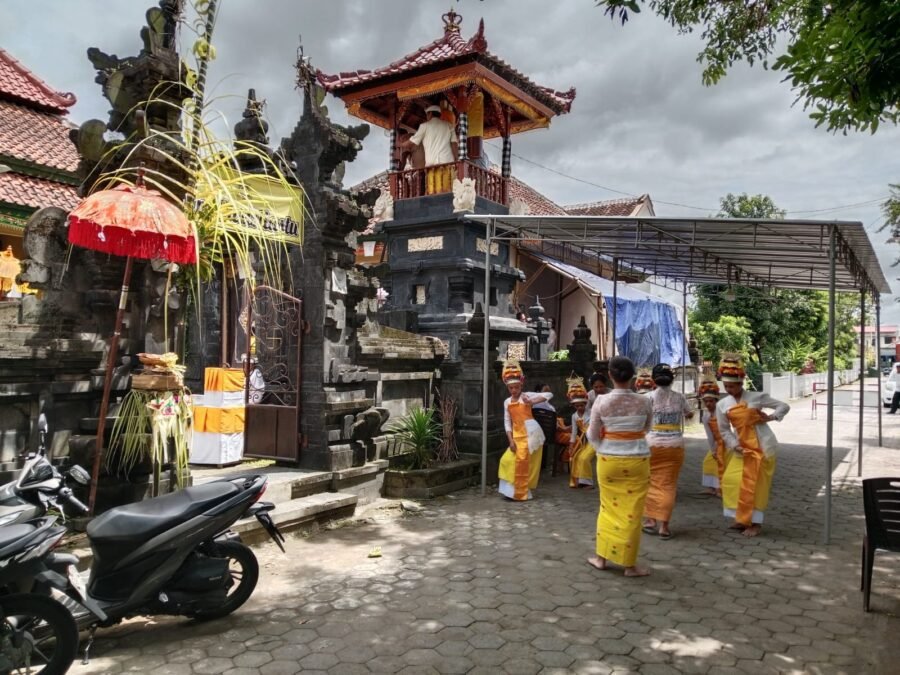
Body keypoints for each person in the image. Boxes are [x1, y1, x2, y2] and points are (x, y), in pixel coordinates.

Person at [586, 356, 653, 577]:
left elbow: (592, 434)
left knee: (607, 508)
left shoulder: (601, 401)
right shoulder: (644, 401)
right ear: (633, 375)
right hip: (637, 460)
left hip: (609, 461)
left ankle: (601, 558)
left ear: (610, 375)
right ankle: (629, 566)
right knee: (633, 512)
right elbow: (647, 428)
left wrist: (603, 448)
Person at [716, 353, 790, 537]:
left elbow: (783, 406)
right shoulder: (722, 404)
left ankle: (755, 523)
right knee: (731, 480)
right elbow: (724, 430)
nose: (729, 389)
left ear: (741, 382)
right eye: (726, 386)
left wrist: (771, 417)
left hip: (762, 446)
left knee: (757, 486)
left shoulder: (756, 397)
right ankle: (741, 518)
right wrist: (735, 445)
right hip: (741, 448)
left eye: (732, 386)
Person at [642, 364, 694, 539]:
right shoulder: (680, 397)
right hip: (675, 447)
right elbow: (689, 414)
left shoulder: (647, 398)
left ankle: (650, 521)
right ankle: (664, 527)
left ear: (653, 380)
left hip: (651, 446)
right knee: (668, 485)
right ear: (672, 379)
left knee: (650, 482)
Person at [497, 360, 551, 501]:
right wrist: (510, 440)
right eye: (511, 388)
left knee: (523, 461)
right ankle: (511, 492)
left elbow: (548, 395)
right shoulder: (507, 402)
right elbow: (507, 422)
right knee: (506, 460)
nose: (514, 390)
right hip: (517, 434)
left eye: (516, 387)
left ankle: (520, 493)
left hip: (530, 433)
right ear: (508, 388)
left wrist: (532, 401)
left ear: (521, 385)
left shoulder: (526, 396)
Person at [403, 104, 458, 195]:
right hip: (447, 164)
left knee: (433, 192)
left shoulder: (424, 126)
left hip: (432, 166)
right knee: (447, 191)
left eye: (427, 115)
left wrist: (400, 144)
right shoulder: (449, 126)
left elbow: (412, 142)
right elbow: (454, 144)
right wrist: (457, 160)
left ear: (430, 114)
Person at [699, 377, 728, 496]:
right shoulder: (706, 416)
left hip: (726, 442)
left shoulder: (722, 413)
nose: (708, 404)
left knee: (721, 463)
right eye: (706, 401)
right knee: (708, 462)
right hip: (716, 443)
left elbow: (726, 431)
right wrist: (713, 449)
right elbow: (709, 435)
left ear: (716, 401)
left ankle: (720, 489)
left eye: (711, 401)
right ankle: (711, 488)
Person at [565, 377, 594, 488]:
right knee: (576, 457)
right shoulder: (574, 416)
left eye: (581, 405)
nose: (579, 407)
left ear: (585, 404)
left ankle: (588, 482)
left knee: (584, 458)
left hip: (594, 440)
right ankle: (581, 481)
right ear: (573, 406)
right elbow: (574, 432)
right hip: (583, 442)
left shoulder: (592, 412)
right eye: (577, 406)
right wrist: (571, 445)